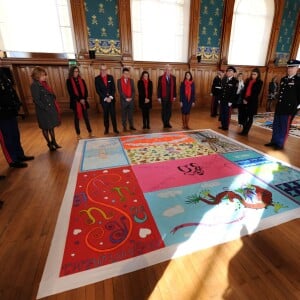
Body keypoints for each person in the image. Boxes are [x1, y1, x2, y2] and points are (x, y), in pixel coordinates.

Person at [0, 67, 34, 168]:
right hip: (2, 113)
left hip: (11, 111)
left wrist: (17, 102)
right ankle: (13, 160)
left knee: (15, 134)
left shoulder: (3, 72)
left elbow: (11, 90)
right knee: (8, 137)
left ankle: (20, 155)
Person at [265, 59, 300, 150]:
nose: (290, 69)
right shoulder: (284, 79)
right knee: (276, 125)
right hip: (280, 107)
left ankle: (280, 144)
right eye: (289, 67)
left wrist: (297, 106)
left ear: (297, 68)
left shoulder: (298, 80)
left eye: (292, 68)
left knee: (284, 127)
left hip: (289, 108)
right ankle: (274, 141)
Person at [30, 66, 61, 151]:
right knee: (45, 128)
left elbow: (49, 94)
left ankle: (54, 141)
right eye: (43, 75)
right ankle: (49, 144)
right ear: (38, 75)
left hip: (49, 108)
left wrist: (53, 96)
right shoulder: (34, 85)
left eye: (45, 75)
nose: (45, 76)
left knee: (51, 126)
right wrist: (45, 107)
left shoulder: (44, 84)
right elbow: (36, 100)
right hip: (42, 111)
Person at [66, 66, 93, 139]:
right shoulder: (69, 81)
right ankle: (78, 134)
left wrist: (84, 99)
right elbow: (71, 93)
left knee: (86, 117)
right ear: (72, 72)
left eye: (77, 71)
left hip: (83, 102)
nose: (76, 73)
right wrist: (79, 100)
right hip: (75, 103)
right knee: (76, 119)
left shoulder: (82, 80)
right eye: (75, 71)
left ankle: (90, 132)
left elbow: (86, 91)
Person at [95, 64, 119, 135]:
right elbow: (98, 91)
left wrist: (110, 97)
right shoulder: (97, 79)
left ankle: (115, 129)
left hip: (111, 100)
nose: (104, 71)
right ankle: (106, 129)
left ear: (106, 70)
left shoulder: (110, 77)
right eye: (102, 69)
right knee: (105, 115)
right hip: (104, 100)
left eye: (105, 69)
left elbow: (113, 88)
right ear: (100, 70)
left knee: (113, 115)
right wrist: (105, 98)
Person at [238, 68, 263, 136]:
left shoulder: (259, 82)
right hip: (244, 100)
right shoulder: (248, 80)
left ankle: (246, 131)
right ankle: (244, 129)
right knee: (243, 116)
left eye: (255, 74)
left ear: (258, 75)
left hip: (252, 102)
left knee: (250, 117)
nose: (253, 76)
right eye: (252, 74)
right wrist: (243, 98)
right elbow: (244, 90)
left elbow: (256, 93)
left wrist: (247, 100)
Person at [218, 66, 238, 131]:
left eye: (230, 71)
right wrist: (219, 98)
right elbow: (221, 90)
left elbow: (234, 92)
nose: (229, 72)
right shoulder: (224, 79)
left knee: (227, 113)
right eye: (228, 71)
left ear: (233, 73)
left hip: (228, 100)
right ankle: (223, 124)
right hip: (222, 99)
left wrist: (231, 101)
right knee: (222, 112)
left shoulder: (235, 81)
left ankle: (226, 126)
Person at [157, 64, 177, 128]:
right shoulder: (160, 78)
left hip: (170, 97)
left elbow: (174, 87)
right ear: (165, 70)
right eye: (167, 70)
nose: (169, 71)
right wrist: (159, 97)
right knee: (164, 110)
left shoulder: (173, 78)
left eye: (170, 70)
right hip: (163, 97)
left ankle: (168, 122)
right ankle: (164, 123)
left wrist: (174, 96)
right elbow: (159, 88)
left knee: (169, 111)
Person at [117, 67, 136, 131]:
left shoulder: (131, 81)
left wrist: (131, 98)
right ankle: (124, 127)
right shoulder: (119, 81)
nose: (127, 75)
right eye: (125, 74)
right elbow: (120, 91)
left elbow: (133, 90)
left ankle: (131, 126)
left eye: (128, 74)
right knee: (124, 114)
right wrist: (125, 98)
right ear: (123, 74)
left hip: (131, 101)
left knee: (130, 114)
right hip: (123, 101)